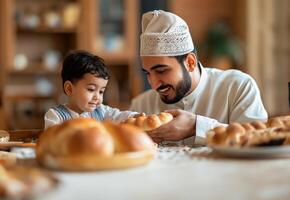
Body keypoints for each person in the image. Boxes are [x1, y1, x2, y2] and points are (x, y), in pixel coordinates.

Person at [130, 10, 268, 145]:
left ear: (190, 62)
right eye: (147, 73)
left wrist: (197, 126)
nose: (154, 85)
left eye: (161, 71)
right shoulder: (141, 105)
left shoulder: (238, 87)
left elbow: (258, 139)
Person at [44, 50, 139, 129]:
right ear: (69, 89)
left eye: (101, 91)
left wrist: (136, 117)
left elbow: (119, 116)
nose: (97, 97)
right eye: (91, 89)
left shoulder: (100, 111)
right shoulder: (56, 116)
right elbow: (53, 140)